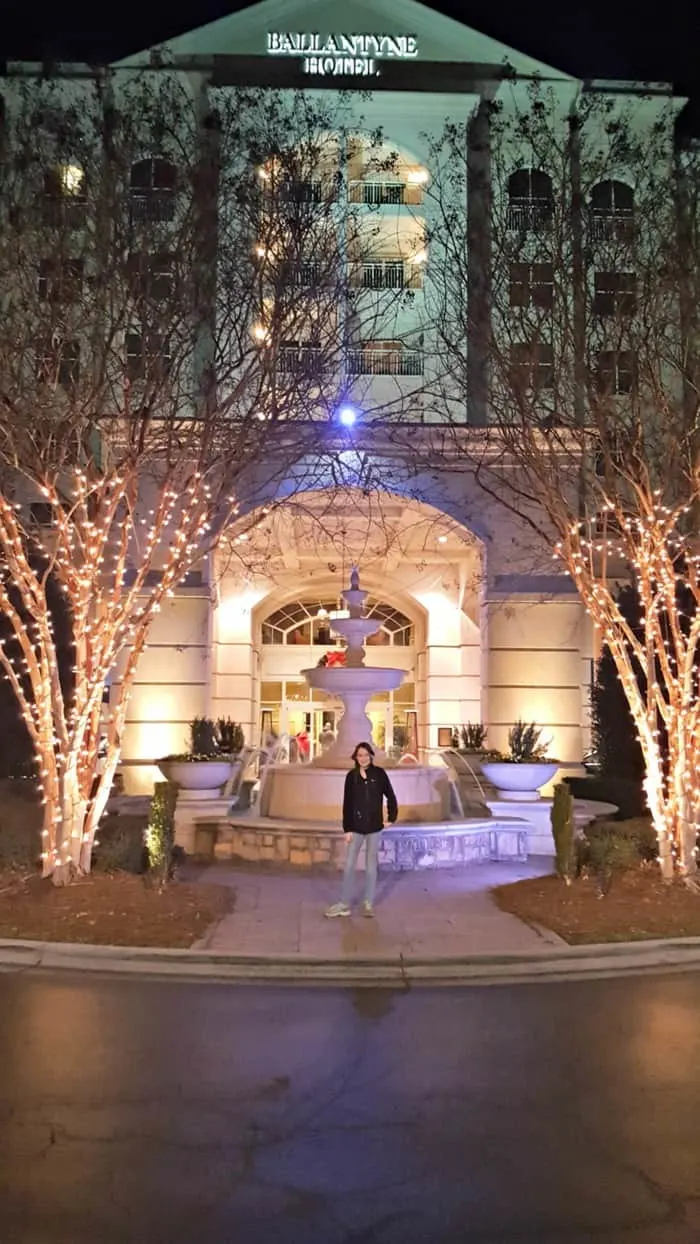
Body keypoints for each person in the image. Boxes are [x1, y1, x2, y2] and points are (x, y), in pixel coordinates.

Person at [325, 742, 398, 919]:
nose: (363, 758)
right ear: (356, 758)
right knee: (349, 865)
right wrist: (347, 829)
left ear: (371, 756)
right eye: (360, 755)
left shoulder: (379, 774)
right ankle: (344, 903)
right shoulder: (352, 777)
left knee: (371, 866)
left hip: (374, 827)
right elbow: (347, 804)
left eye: (366, 755)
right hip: (356, 828)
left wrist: (391, 817)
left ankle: (368, 903)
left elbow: (390, 795)